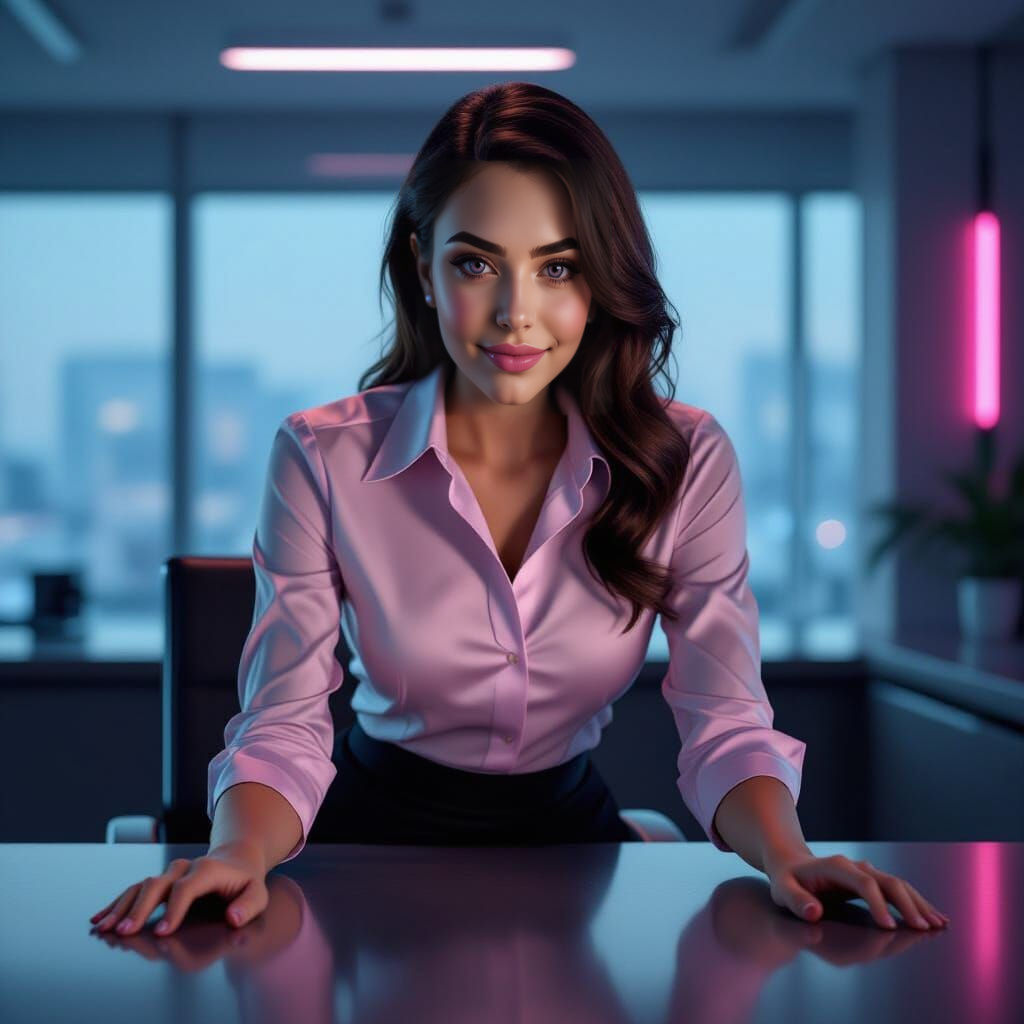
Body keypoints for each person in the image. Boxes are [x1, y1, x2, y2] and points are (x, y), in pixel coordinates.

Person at [91, 81, 949, 939]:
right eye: (475, 263)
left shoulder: (683, 459)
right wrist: (237, 853)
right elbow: (284, 718)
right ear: (422, 267)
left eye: (558, 267)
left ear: (601, 277)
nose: (515, 313)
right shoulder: (323, 455)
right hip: (366, 845)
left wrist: (788, 855)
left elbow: (723, 716)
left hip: (573, 847)